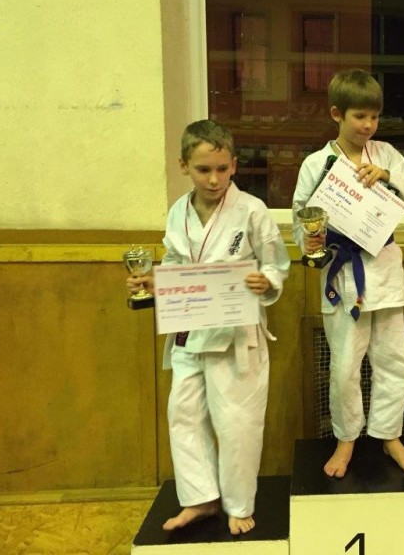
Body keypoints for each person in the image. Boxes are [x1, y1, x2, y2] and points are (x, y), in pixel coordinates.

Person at [126, 120, 290, 535]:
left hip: (236, 335)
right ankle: (200, 498)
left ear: (234, 164)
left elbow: (276, 263)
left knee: (236, 422)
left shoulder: (251, 210)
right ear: (184, 166)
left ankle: (238, 503)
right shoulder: (177, 213)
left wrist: (267, 280)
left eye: (221, 168)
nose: (214, 179)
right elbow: (176, 265)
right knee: (182, 414)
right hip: (189, 330)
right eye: (203, 170)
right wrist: (155, 282)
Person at [292, 69, 404, 478]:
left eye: (374, 116)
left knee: (394, 362)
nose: (368, 125)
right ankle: (346, 438)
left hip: (383, 272)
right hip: (342, 273)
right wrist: (309, 240)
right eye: (359, 116)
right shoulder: (316, 164)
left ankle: (388, 435)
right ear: (337, 114)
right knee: (344, 367)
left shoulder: (386, 155)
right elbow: (302, 217)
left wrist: (389, 177)